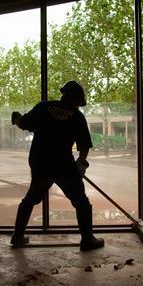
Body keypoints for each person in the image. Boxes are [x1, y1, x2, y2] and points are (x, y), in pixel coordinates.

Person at [10, 80, 104, 251]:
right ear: (77, 100)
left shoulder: (43, 107)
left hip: (40, 163)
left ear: (63, 94)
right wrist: (81, 165)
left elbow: (24, 123)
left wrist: (16, 118)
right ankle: (87, 240)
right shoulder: (77, 116)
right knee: (80, 201)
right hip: (63, 165)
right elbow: (84, 146)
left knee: (30, 199)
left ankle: (17, 237)